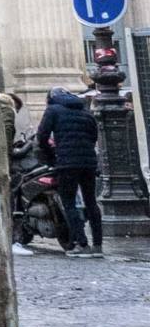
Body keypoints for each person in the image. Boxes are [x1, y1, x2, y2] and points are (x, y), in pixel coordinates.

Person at [39, 86, 103, 257]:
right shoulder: (85, 112)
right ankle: (98, 246)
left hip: (67, 162)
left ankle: (81, 244)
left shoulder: (53, 110)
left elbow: (42, 136)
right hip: (88, 162)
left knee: (69, 202)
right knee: (91, 201)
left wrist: (51, 155)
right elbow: (94, 135)